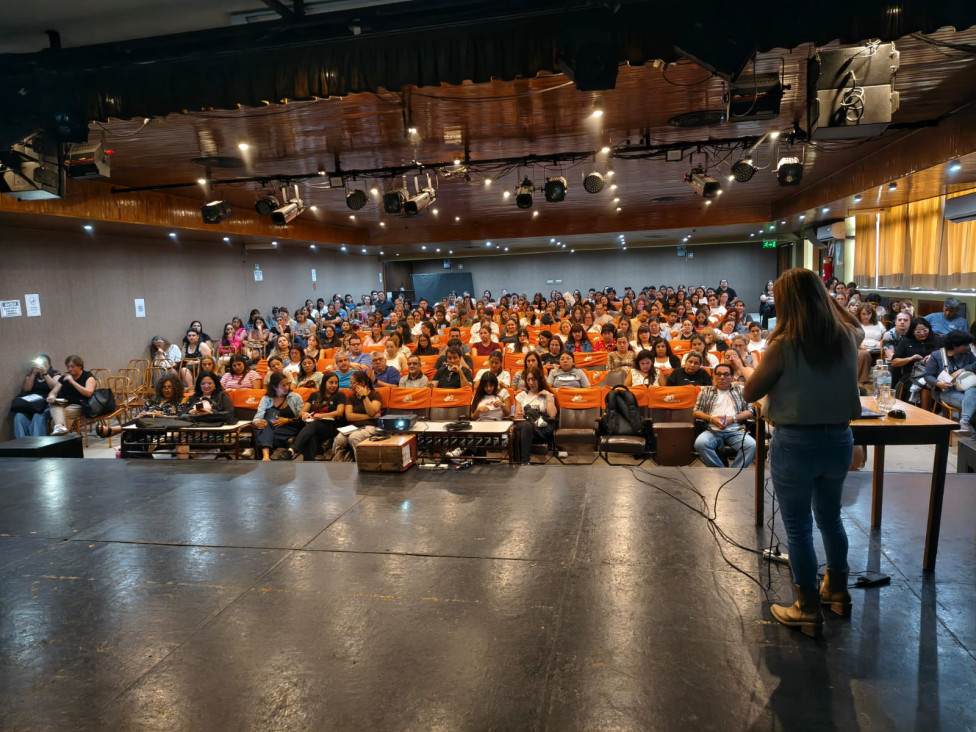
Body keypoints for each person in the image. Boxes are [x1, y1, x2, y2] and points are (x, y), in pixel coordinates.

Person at [743, 267, 863, 639]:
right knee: (830, 518)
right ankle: (837, 592)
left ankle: (807, 608)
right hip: (839, 439)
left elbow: (749, 393)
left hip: (796, 443)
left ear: (787, 303)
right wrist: (828, 299)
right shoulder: (847, 337)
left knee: (797, 529)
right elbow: (855, 321)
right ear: (821, 297)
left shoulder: (784, 344)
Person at [692, 363, 756, 468]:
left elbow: (749, 411)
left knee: (751, 445)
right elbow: (696, 411)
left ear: (732, 377)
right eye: (718, 374)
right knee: (700, 443)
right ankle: (720, 470)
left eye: (726, 374)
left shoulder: (741, 390)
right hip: (712, 430)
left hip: (735, 430)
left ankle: (734, 471)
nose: (722, 377)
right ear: (714, 376)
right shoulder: (705, 391)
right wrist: (712, 419)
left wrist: (733, 419)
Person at [96, 374, 186, 438]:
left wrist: (159, 415)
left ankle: (115, 430)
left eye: (170, 387)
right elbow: (138, 416)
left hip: (161, 428)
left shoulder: (178, 403)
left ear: (175, 389)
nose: (166, 390)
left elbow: (179, 419)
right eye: (164, 387)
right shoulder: (153, 402)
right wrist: (138, 416)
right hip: (144, 426)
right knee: (130, 433)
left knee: (146, 417)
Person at [923, 330, 976, 436]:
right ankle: (968, 426)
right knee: (972, 403)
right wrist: (938, 383)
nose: (968, 347)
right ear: (954, 345)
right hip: (945, 390)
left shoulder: (968, 353)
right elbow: (927, 375)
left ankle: (964, 421)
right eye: (965, 345)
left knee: (972, 395)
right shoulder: (937, 355)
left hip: (967, 388)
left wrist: (963, 369)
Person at [284, 371, 347, 461]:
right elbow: (301, 411)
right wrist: (304, 414)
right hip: (313, 427)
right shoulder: (315, 395)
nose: (334, 385)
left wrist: (322, 415)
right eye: (331, 382)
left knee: (314, 425)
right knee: (311, 436)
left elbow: (339, 412)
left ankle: (291, 450)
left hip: (331, 427)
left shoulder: (339, 396)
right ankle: (310, 463)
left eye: (336, 383)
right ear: (324, 383)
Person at [253, 372, 305, 461]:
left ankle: (265, 457)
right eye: (283, 386)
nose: (287, 388)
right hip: (271, 427)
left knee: (261, 433)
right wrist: (257, 422)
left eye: (287, 384)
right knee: (264, 425)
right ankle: (266, 456)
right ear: (275, 387)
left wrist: (287, 420)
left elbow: (301, 418)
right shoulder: (266, 399)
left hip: (290, 427)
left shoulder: (295, 397)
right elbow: (258, 416)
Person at [332, 371, 382, 462]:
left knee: (354, 437)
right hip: (354, 427)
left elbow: (371, 411)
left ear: (362, 383)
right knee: (339, 438)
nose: (350, 385)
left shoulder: (375, 395)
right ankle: (338, 464)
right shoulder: (351, 398)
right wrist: (370, 417)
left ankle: (363, 465)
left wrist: (364, 396)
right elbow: (349, 416)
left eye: (352, 383)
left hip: (371, 427)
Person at [513, 366, 558, 464]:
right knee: (526, 424)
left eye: (534, 379)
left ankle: (523, 460)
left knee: (528, 418)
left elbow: (552, 415)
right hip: (525, 426)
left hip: (541, 429)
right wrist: (520, 415)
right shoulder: (521, 396)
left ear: (539, 379)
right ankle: (525, 461)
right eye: (528, 380)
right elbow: (516, 417)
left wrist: (548, 396)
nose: (531, 383)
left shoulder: (547, 395)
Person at [46, 355, 97, 435]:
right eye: (68, 367)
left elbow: (88, 393)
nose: (70, 369)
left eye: (72, 366)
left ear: (80, 366)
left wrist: (73, 382)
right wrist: (51, 396)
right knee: (54, 405)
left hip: (79, 404)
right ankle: (60, 428)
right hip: (63, 403)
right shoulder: (64, 377)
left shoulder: (88, 377)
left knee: (60, 417)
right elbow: (53, 391)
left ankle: (59, 435)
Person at [13, 354, 58, 438]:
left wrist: (45, 373)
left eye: (44, 363)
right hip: (32, 405)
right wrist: (33, 373)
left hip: (46, 404)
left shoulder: (54, 373)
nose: (41, 365)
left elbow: (54, 387)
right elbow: (27, 389)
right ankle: (21, 445)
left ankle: (38, 445)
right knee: (18, 416)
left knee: (37, 416)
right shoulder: (31, 375)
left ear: (49, 364)